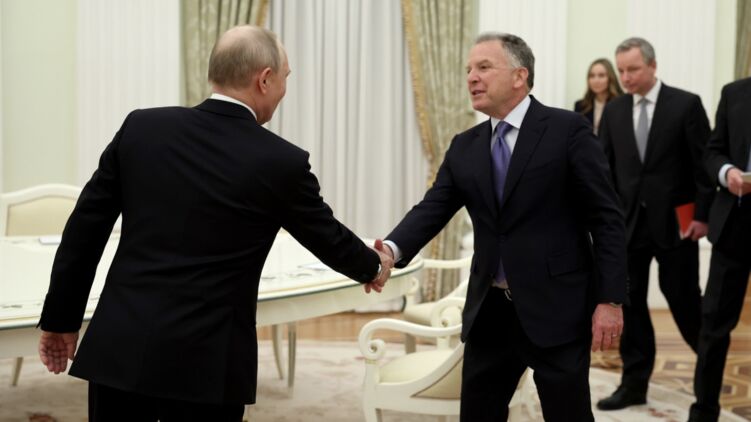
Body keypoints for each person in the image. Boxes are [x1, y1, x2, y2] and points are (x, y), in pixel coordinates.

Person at [36, 25, 393, 422]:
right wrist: (373, 265)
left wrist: (60, 320)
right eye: (285, 78)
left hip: (121, 351)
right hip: (207, 366)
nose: (284, 90)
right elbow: (327, 237)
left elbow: (84, 230)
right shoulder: (280, 162)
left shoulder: (142, 129)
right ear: (264, 79)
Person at [378, 32, 627, 422]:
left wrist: (610, 300)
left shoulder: (568, 130)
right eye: (468, 70)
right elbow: (432, 209)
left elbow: (607, 219)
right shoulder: (464, 145)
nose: (471, 77)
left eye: (483, 67)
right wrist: (390, 251)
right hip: (490, 313)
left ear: (519, 76)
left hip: (557, 308)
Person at [596, 37, 715, 411]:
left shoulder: (686, 104)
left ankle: (709, 378)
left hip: (677, 225)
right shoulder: (614, 111)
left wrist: (702, 216)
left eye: (633, 69)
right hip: (627, 226)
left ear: (652, 66)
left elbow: (704, 166)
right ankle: (633, 385)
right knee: (630, 307)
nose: (625, 77)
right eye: (621, 70)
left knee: (684, 300)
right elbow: (604, 170)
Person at [688, 77, 751, 422]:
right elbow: (713, 151)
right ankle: (704, 410)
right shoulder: (734, 93)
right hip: (733, 228)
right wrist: (727, 173)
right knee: (713, 325)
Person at [574, 58, 623, 134]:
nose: (596, 80)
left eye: (601, 75)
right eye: (592, 76)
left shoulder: (622, 104)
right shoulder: (580, 106)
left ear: (610, 78)